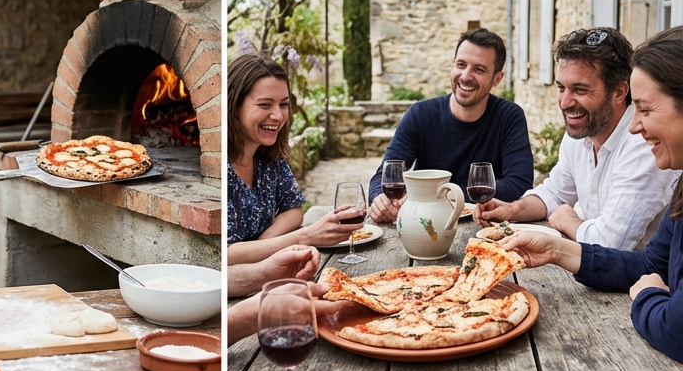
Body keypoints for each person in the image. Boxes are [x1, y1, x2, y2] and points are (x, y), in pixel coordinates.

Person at [501, 26, 683, 363]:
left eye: (644, 109)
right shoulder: (681, 184)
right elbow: (649, 263)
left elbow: (675, 328)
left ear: (619, 92)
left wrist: (647, 296)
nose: (634, 125)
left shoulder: (648, 152)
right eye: (561, 88)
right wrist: (554, 247)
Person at [476, 28, 677, 250]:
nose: (565, 102)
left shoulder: (645, 142)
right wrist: (512, 210)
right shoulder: (582, 130)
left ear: (619, 92)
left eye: (580, 90)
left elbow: (611, 244)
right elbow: (555, 192)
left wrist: (568, 221)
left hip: (634, 280)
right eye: (561, 88)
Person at [367, 28, 534, 223]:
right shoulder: (420, 114)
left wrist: (450, 195)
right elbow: (386, 175)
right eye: (461, 65)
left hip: (483, 227)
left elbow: (519, 184)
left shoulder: (509, 117)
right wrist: (380, 199)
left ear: (497, 79)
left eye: (479, 69)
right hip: (427, 225)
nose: (465, 76)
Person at [227, 53, 366, 265]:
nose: (278, 115)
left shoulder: (269, 158)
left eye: (283, 104)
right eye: (265, 105)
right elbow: (226, 255)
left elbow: (293, 210)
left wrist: (265, 242)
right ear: (234, 105)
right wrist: (305, 236)